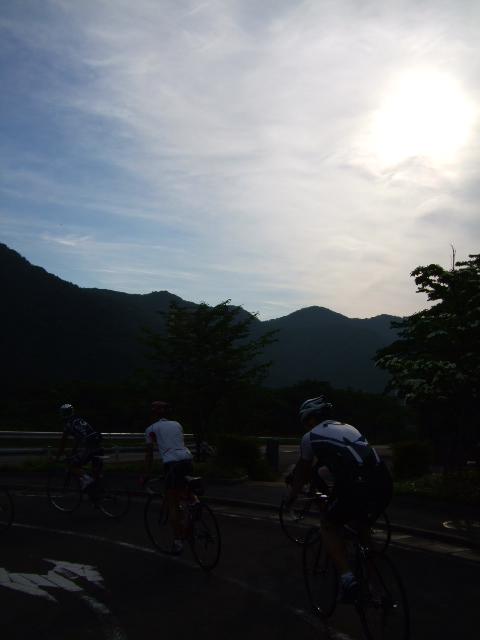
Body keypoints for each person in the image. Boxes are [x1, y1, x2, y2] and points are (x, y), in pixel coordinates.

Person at [284, 395, 393, 602]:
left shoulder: (310, 437)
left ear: (310, 419)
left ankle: (348, 580)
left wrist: (291, 497)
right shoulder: (349, 427)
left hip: (356, 485)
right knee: (362, 528)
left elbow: (302, 472)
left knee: (328, 525)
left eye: (305, 422)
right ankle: (375, 588)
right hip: (384, 482)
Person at [142, 401, 194, 555]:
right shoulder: (177, 424)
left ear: (153, 414)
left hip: (171, 464)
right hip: (187, 460)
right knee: (185, 489)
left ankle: (178, 541)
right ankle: (195, 505)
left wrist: (145, 475)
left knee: (172, 504)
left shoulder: (150, 429)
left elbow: (149, 455)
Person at [56, 404, 104, 492]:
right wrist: (74, 451)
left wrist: (58, 456)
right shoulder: (80, 420)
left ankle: (87, 480)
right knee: (96, 473)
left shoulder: (68, 424)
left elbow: (63, 443)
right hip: (98, 445)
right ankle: (98, 493)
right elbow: (78, 439)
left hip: (90, 447)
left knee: (71, 465)